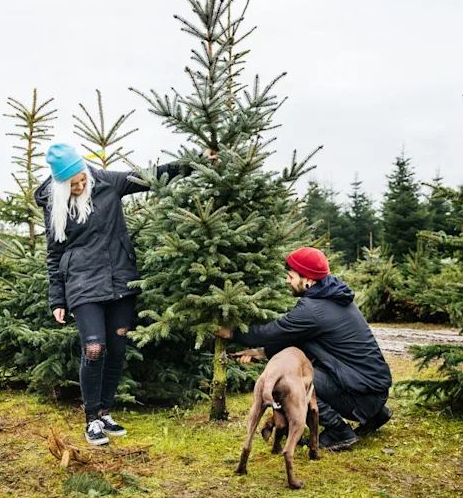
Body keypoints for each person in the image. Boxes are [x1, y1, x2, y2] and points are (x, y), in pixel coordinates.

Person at [35, 142, 202, 446]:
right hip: (82, 282)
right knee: (94, 348)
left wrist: (196, 162)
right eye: (73, 185)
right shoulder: (54, 205)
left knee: (117, 346)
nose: (81, 186)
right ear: (61, 186)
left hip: (120, 278)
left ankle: (105, 413)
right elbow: (53, 253)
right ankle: (90, 420)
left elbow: (151, 175)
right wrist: (57, 298)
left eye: (82, 179)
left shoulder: (107, 183)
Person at [216, 247, 392, 451]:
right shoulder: (332, 296)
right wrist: (262, 353)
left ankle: (339, 432)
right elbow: (299, 338)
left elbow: (274, 331)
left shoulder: (313, 310)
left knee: (292, 381)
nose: (287, 281)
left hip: (363, 395)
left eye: (291, 276)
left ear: (307, 279)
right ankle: (376, 415)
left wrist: (233, 333)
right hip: (373, 389)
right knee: (309, 366)